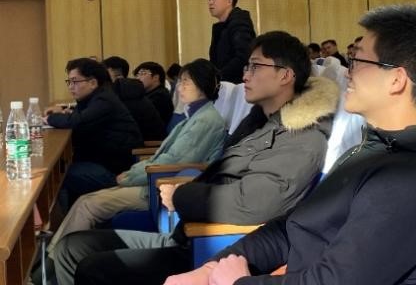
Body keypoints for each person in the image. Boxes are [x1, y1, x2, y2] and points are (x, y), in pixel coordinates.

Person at [164, 4, 416, 285]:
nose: (348, 71)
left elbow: (336, 282)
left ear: (396, 80)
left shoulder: (411, 181)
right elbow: (289, 229)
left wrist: (238, 282)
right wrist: (209, 270)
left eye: (358, 61)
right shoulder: (368, 153)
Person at [53, 31, 340, 285]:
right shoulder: (259, 123)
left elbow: (252, 203)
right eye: (246, 66)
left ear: (285, 75)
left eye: (255, 66)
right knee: (71, 247)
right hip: (186, 234)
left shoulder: (303, 139)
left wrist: (181, 195)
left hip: (210, 249)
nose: (245, 75)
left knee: (91, 267)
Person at [45, 59, 227, 257]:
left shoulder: (206, 121)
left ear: (202, 85)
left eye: (186, 82)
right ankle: (56, 256)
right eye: (180, 81)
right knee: (85, 201)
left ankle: (54, 260)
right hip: (154, 180)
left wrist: (131, 176)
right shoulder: (194, 116)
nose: (179, 87)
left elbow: (174, 161)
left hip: (161, 188)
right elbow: (167, 158)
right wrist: (134, 173)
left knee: (87, 204)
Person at [44, 58, 142, 207]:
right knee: (59, 169)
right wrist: (64, 113)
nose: (70, 87)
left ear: (93, 83)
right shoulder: (97, 97)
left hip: (115, 171)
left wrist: (50, 118)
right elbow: (79, 117)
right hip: (101, 160)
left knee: (58, 175)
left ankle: (64, 218)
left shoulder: (104, 100)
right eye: (69, 82)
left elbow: (76, 122)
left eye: (75, 82)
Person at [208, 0, 256, 83]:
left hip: (238, 85)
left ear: (229, 1)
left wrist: (218, 76)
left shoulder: (239, 22)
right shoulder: (221, 27)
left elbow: (244, 56)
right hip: (225, 84)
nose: (210, 2)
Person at [134, 61, 175, 127]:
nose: (138, 78)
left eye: (142, 73)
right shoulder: (148, 94)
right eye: (137, 75)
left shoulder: (160, 96)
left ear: (156, 77)